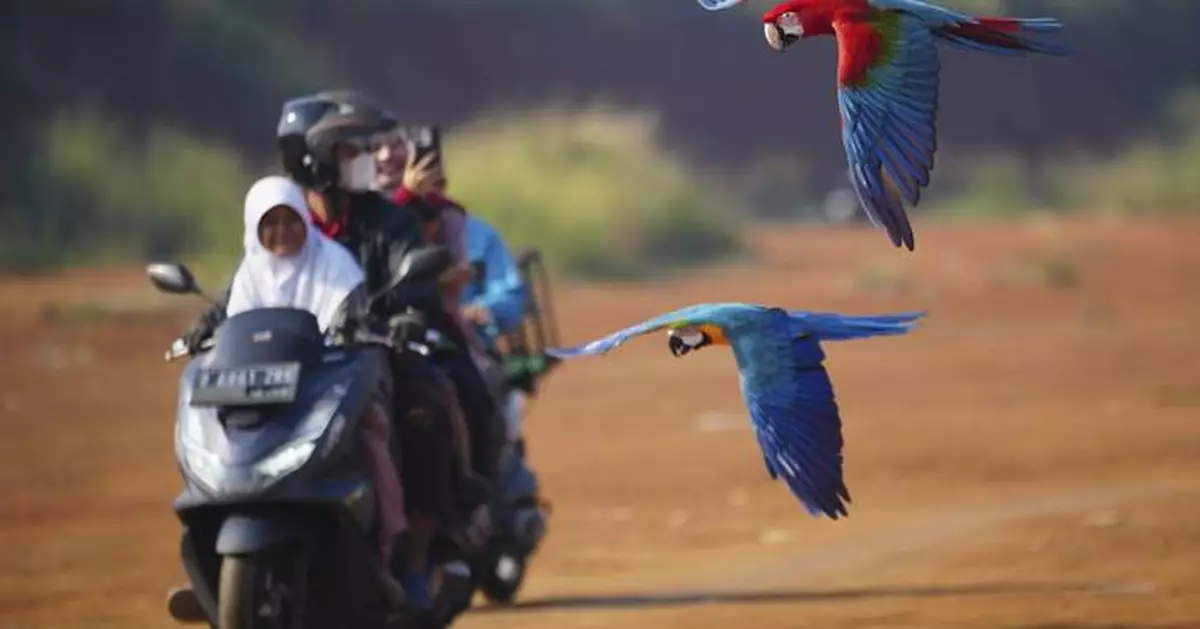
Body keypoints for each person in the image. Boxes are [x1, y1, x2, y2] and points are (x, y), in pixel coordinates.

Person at [176, 94, 486, 618]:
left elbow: (415, 281)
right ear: (314, 159)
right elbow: (239, 298)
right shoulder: (283, 223)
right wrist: (205, 324)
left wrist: (409, 312)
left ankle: (414, 554)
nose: (364, 158)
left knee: (423, 411)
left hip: (366, 358)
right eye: (347, 150)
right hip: (283, 373)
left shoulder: (386, 222)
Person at [225, 175, 408, 576]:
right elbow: (236, 328)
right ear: (253, 228)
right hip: (266, 394)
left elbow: (349, 322)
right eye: (268, 223)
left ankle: (390, 543)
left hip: (329, 385)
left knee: (369, 437)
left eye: (290, 220)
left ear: (306, 221)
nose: (281, 232)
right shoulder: (248, 275)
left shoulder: (335, 264)